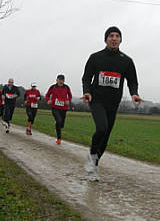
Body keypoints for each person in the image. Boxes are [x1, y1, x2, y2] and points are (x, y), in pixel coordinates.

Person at [82, 26, 142, 181]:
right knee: (101, 128)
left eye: (117, 36)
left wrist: (134, 94)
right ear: (106, 39)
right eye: (111, 36)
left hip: (114, 102)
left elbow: (132, 81)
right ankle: (92, 155)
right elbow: (86, 78)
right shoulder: (95, 57)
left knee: (106, 134)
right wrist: (87, 91)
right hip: (96, 100)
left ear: (120, 39)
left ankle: (94, 164)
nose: (114, 38)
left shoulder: (126, 61)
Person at [45, 75, 72, 144]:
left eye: (62, 80)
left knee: (61, 124)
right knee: (59, 120)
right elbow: (47, 95)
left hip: (63, 108)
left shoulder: (66, 87)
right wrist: (48, 100)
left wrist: (68, 100)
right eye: (60, 80)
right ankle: (59, 138)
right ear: (57, 80)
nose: (61, 81)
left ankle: (57, 124)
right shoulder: (53, 87)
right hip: (55, 107)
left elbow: (70, 96)